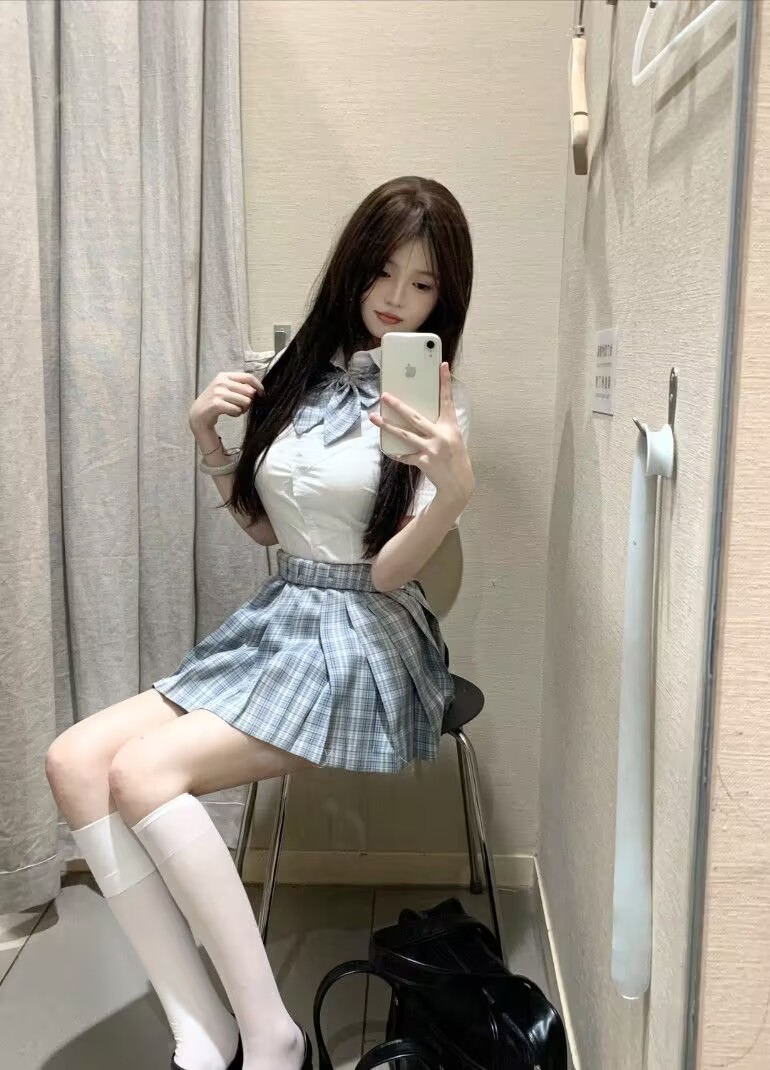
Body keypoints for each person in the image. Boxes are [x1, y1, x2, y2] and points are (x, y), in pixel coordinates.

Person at [45, 175, 474, 1070]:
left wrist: (451, 495)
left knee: (144, 773)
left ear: (446, 298)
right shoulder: (295, 376)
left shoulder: (433, 405)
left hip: (369, 633)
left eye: (423, 283)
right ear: (353, 266)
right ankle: (201, 1024)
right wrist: (209, 440)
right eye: (383, 271)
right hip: (285, 618)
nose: (396, 298)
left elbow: (386, 571)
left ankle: (270, 1035)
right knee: (75, 763)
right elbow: (270, 532)